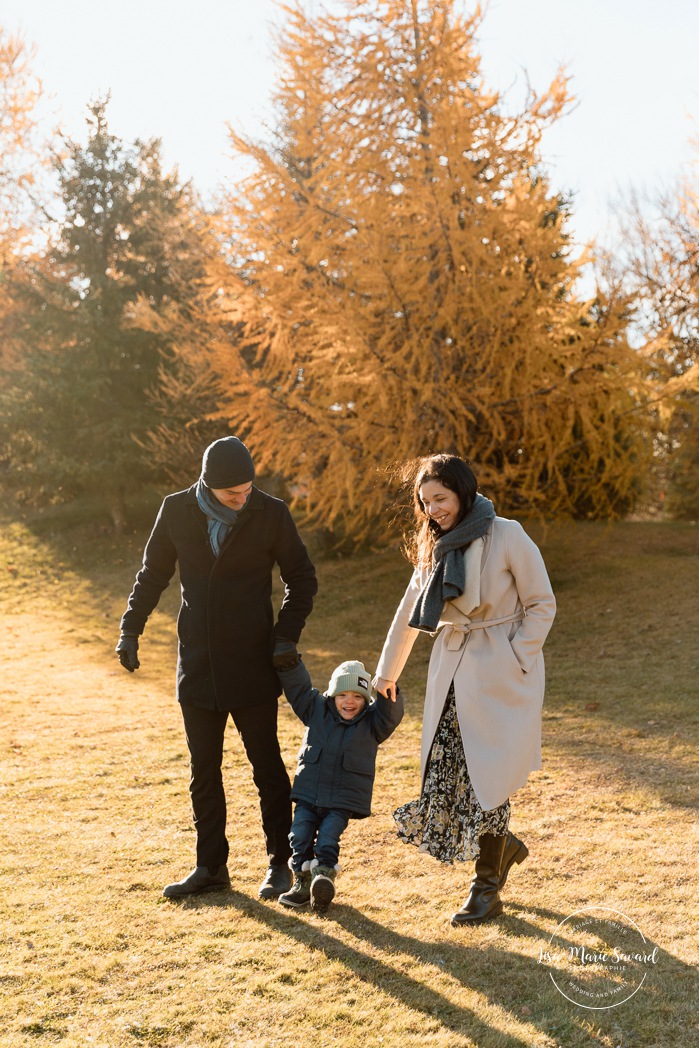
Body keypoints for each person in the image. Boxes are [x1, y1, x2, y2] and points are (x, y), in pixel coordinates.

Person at [115, 436, 318, 900]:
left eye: (247, 490)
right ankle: (210, 867)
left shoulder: (270, 513)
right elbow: (152, 574)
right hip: (198, 664)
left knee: (266, 766)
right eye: (232, 494)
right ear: (208, 484)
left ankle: (280, 864)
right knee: (203, 770)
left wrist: (285, 636)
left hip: (253, 663)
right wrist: (131, 628)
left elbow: (302, 578)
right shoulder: (176, 510)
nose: (242, 499)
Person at [374, 454, 556, 926]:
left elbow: (541, 603)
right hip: (451, 670)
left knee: (489, 777)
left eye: (441, 498)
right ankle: (503, 849)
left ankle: (486, 887)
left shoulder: (508, 534)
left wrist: (518, 656)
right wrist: (386, 672)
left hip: (500, 672)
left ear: (463, 492)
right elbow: (408, 610)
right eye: (425, 501)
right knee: (451, 774)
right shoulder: (432, 547)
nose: (433, 509)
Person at [271, 651, 403, 913]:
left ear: (366, 700)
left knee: (327, 841)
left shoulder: (372, 723)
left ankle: (324, 879)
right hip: (309, 794)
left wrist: (388, 686)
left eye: (357, 696)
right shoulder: (316, 709)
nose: (349, 702)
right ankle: (302, 883)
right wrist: (291, 664)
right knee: (298, 837)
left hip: (341, 801)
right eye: (343, 695)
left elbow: (391, 712)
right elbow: (299, 690)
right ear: (333, 696)